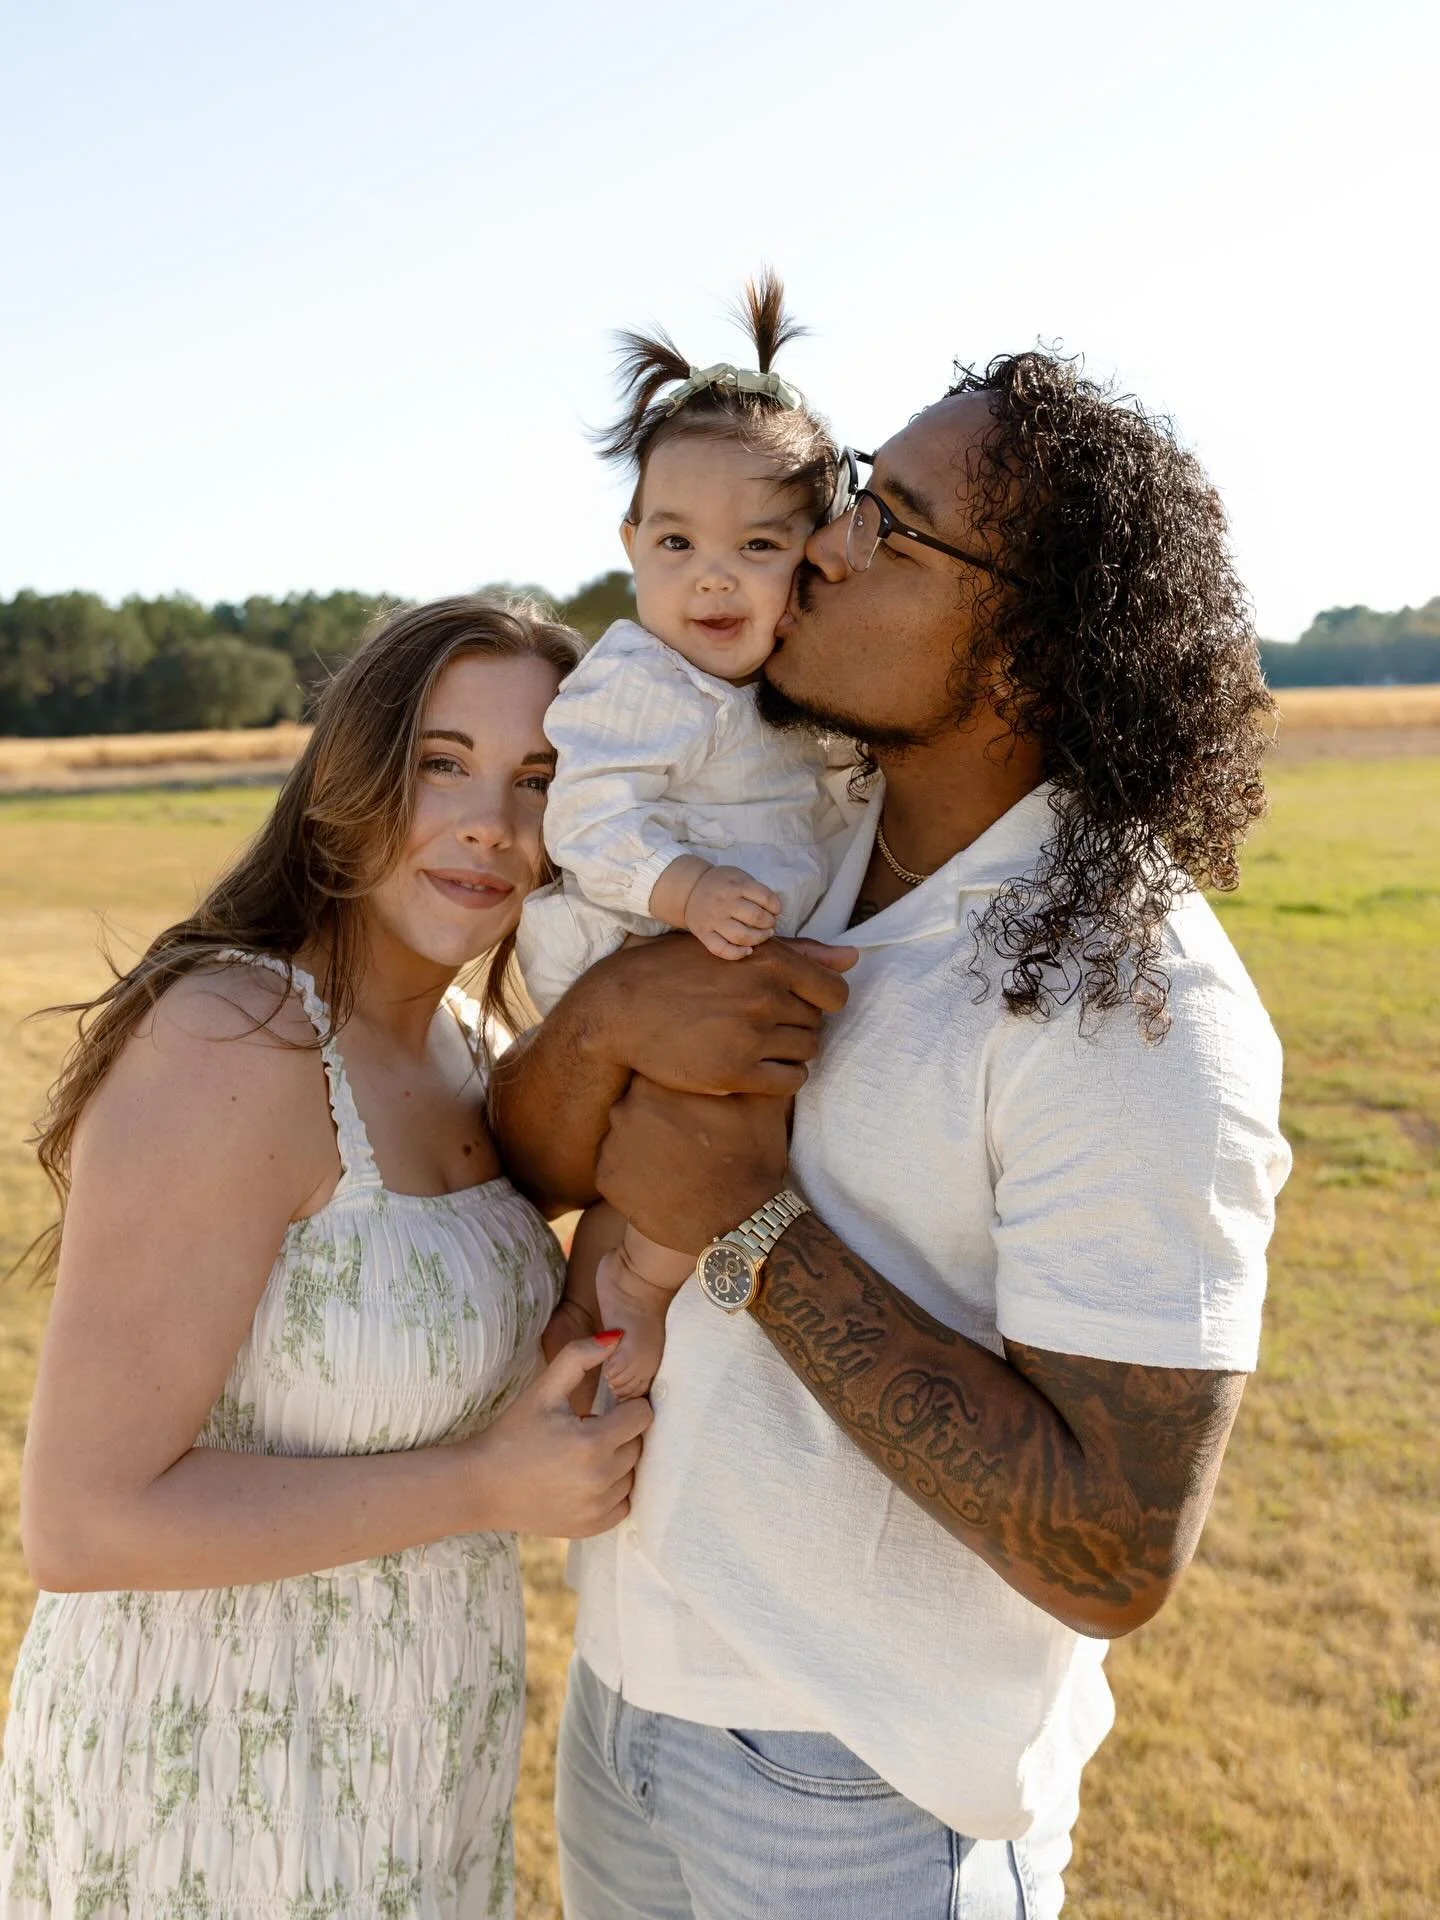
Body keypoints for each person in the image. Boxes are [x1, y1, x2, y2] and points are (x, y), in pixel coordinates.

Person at [492, 352, 1293, 1919]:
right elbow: (537, 1161)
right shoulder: (785, 829)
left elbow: (1113, 1551)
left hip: (863, 1793)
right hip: (624, 1704)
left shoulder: (1135, 1002)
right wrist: (605, 1024)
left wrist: (756, 1230)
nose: (826, 544)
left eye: (895, 531)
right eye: (857, 492)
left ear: (1033, 656)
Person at [0, 598, 652, 1919]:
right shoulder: (238, 1039)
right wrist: (484, 1483)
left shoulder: (472, 1046)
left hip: (412, 1756)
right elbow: (81, 1519)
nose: (492, 823)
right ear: (351, 779)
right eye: (441, 763)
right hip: (216, 1775)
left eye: (540, 781)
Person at [516, 272, 846, 1402]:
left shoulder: (783, 693)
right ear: (630, 544)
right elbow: (589, 817)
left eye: (758, 546)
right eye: (676, 541)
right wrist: (685, 887)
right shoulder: (644, 681)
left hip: (720, 936)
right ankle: (639, 1296)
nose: (711, 574)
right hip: (632, 938)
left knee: (714, 1107)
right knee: (714, 1114)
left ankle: (608, 1288)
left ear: (816, 559)